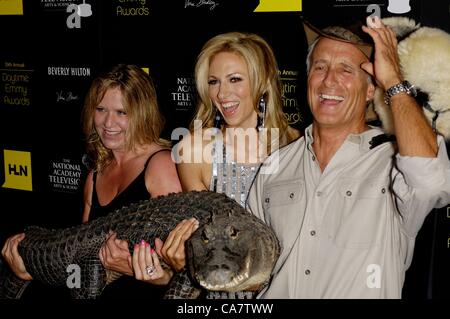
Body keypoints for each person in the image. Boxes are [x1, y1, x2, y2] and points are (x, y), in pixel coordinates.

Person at [245, 16, 450, 298]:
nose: (329, 80)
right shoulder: (274, 166)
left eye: (346, 70)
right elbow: (250, 267)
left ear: (370, 89)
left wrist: (392, 80)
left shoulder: (392, 163)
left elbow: (432, 182)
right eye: (320, 67)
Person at [1, 64, 182, 298]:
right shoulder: (95, 174)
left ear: (142, 112)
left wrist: (140, 269)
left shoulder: (161, 164)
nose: (108, 123)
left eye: (121, 112)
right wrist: (29, 270)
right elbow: (80, 262)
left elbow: (180, 267)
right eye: (101, 109)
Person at [160, 32, 300, 298]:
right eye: (214, 82)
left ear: (261, 82)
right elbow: (204, 245)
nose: (222, 94)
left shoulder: (295, 145)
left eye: (235, 79)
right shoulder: (194, 150)